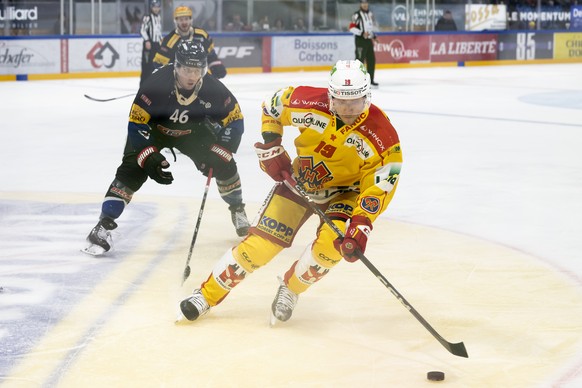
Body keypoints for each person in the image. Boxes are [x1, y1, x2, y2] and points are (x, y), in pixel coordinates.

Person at [178, 59, 402, 324]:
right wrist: (272, 145)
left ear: (367, 97)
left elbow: (381, 183)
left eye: (355, 101)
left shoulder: (383, 136)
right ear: (330, 96)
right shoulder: (309, 102)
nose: (348, 109)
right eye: (341, 101)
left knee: (331, 249)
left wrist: (361, 224)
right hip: (300, 183)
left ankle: (291, 289)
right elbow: (273, 105)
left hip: (346, 195)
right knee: (260, 247)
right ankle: (206, 295)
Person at [83, 41, 250, 256]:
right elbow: (136, 124)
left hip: (192, 133)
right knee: (133, 168)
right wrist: (148, 155)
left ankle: (238, 209)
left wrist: (222, 150)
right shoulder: (155, 85)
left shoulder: (213, 88)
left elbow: (236, 120)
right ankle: (103, 225)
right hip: (154, 131)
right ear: (176, 67)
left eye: (197, 70)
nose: (192, 76)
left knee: (224, 164)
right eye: (187, 69)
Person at [152, 6, 227, 79]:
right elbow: (158, 64)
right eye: (181, 20)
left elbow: (210, 54)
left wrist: (215, 65)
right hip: (179, 80)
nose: (184, 22)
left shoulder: (202, 35)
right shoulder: (169, 41)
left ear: (191, 20)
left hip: (200, 77)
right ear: (176, 21)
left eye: (186, 19)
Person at [349, 0, 379, 87]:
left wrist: (374, 37)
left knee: (371, 60)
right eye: (363, 3)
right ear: (360, 4)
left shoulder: (370, 14)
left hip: (368, 41)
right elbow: (351, 28)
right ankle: (356, 81)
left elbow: (369, 29)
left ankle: (370, 80)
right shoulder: (357, 15)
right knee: (359, 61)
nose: (365, 5)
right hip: (360, 41)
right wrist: (362, 33)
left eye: (366, 3)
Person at [139, 0, 163, 86]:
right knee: (146, 66)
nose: (156, 9)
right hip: (149, 45)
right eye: (154, 7)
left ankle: (152, 86)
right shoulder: (148, 17)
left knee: (155, 65)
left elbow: (158, 31)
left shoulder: (158, 17)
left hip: (157, 45)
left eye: (157, 7)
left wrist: (161, 41)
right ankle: (143, 86)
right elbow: (142, 30)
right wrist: (147, 40)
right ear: (151, 7)